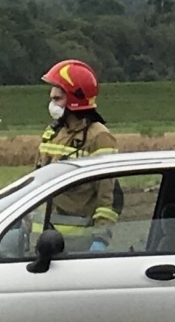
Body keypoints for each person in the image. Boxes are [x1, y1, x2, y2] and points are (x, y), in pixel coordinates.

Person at [34, 59, 120, 251]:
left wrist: (101, 239)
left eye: (57, 99)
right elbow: (35, 184)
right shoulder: (53, 133)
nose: (52, 104)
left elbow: (107, 196)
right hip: (40, 242)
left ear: (75, 99)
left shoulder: (99, 137)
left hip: (76, 247)